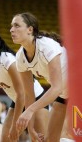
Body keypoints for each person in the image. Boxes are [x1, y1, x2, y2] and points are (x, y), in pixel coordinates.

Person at [10, 12, 75, 142]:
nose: (11, 30)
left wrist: (30, 110)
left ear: (30, 29)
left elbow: (56, 88)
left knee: (72, 134)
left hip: (77, 90)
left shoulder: (47, 46)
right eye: (11, 26)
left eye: (17, 26)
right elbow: (29, 94)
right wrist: (31, 129)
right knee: (51, 140)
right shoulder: (20, 57)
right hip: (63, 95)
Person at [0, 29, 49, 142]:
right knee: (6, 138)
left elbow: (22, 93)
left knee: (41, 139)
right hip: (18, 101)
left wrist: (15, 126)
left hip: (36, 99)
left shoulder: (7, 60)